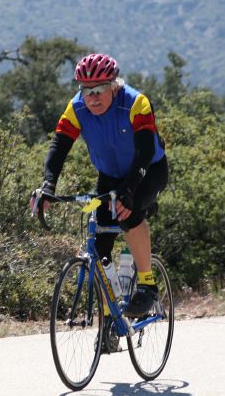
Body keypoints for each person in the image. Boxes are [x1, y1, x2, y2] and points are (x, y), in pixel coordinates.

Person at [33, 53, 168, 346]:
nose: (92, 97)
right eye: (85, 89)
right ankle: (110, 319)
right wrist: (48, 185)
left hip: (148, 172)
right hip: (110, 176)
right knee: (100, 244)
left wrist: (131, 192)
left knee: (129, 214)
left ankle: (146, 285)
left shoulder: (136, 103)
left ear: (114, 85)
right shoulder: (77, 107)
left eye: (98, 90)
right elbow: (59, 146)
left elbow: (145, 152)